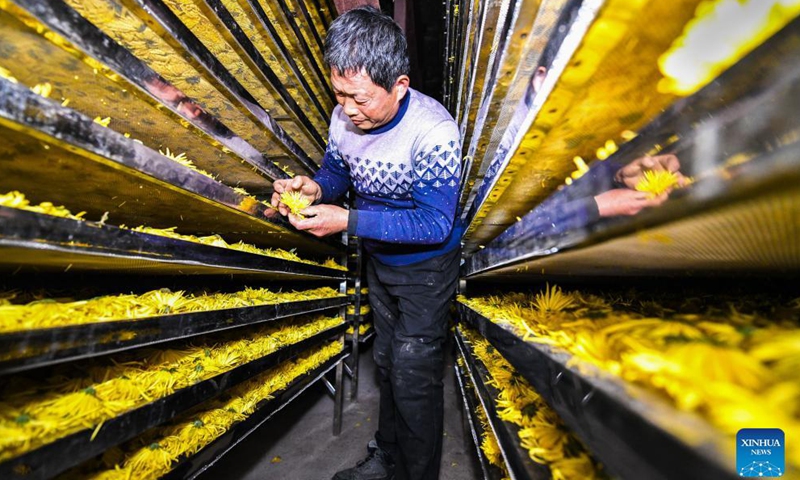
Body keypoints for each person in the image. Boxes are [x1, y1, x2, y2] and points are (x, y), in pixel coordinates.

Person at [271, 6, 461, 480]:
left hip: (426, 269)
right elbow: (337, 171)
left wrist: (347, 220)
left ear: (399, 85)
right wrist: (315, 190)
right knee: (386, 362)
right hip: (380, 261)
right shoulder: (344, 117)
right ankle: (387, 457)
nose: (348, 110)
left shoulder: (433, 132)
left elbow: (435, 224)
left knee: (414, 375)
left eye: (359, 98)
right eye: (339, 94)